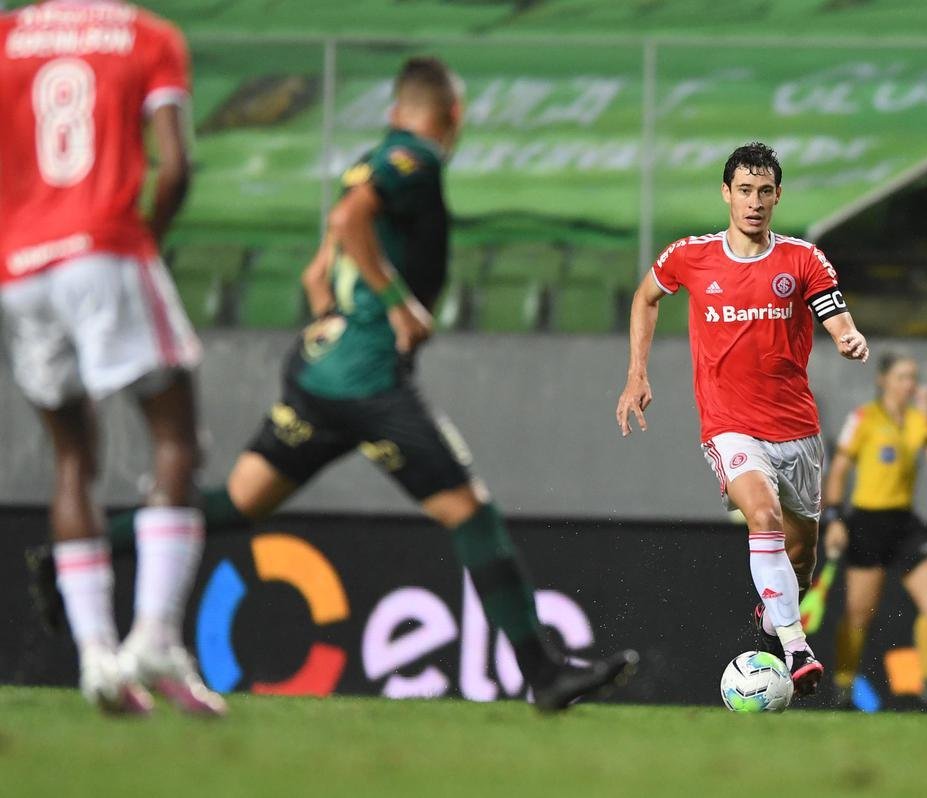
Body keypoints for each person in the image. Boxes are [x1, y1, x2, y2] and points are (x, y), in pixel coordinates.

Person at [34, 55, 638, 712]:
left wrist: (326, 291)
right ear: (454, 115)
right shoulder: (417, 159)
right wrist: (399, 304)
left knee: (240, 501)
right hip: (367, 381)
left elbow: (327, 248)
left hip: (320, 372)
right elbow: (351, 219)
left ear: (394, 111)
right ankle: (544, 676)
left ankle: (73, 557)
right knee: (470, 512)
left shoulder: (373, 157)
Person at [0, 1, 223, 715]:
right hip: (105, 246)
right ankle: (154, 636)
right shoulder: (146, 36)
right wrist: (146, 238)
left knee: (72, 459)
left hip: (19, 266)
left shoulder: (7, 37)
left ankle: (96, 657)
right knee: (177, 439)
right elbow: (176, 166)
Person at [616, 142, 870, 698]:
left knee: (801, 557)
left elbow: (834, 312)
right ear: (726, 194)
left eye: (765, 192)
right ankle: (797, 650)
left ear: (778, 197)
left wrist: (847, 337)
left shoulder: (803, 260)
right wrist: (637, 373)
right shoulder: (691, 256)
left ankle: (774, 615)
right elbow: (645, 298)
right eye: (745, 190)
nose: (754, 202)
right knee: (762, 515)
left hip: (797, 431)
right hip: (729, 425)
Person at [821, 351, 927, 712]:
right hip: (867, 521)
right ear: (882, 380)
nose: (909, 384)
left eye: (913, 377)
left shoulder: (917, 420)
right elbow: (839, 471)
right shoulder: (864, 418)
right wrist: (834, 518)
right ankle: (842, 691)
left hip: (904, 523)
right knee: (859, 613)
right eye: (901, 377)